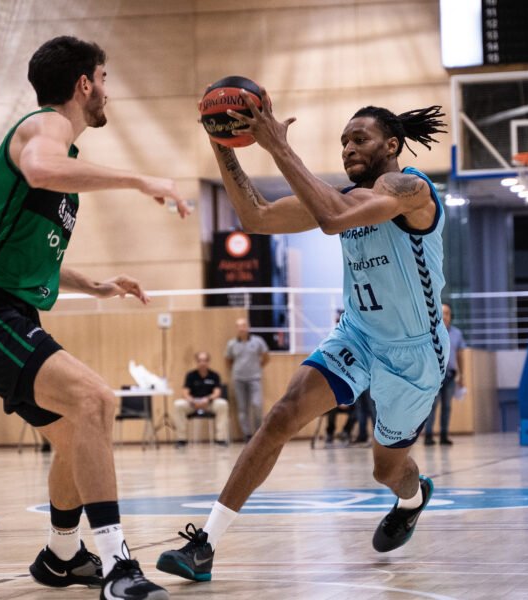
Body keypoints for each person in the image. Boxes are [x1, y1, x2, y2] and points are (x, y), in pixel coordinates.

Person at [156, 93, 448, 582]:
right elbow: (258, 216)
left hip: (415, 352)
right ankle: (203, 546)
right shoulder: (340, 196)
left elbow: (334, 218)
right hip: (357, 334)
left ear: (392, 144)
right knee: (282, 414)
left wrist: (277, 148)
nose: (349, 148)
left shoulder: (410, 189)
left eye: (361, 139)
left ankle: (413, 497)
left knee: (386, 470)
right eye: (343, 142)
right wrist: (221, 143)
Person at [0, 36, 185, 599]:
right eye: (104, 78)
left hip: (3, 308)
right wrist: (140, 179)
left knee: (76, 430)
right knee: (98, 399)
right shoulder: (44, 129)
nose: (107, 92)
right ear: (84, 85)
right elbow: (41, 170)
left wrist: (91, 283)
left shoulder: (60, 149)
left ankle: (61, 556)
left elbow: (31, 249)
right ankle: (120, 567)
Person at [425, 303, 467, 446]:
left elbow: (460, 355)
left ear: (451, 316)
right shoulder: (429, 332)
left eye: (447, 313)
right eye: (442, 313)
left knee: (447, 407)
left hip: (450, 376)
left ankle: (444, 436)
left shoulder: (457, 334)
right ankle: (428, 435)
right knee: (432, 407)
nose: (445, 316)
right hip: (434, 377)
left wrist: (461, 375)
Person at [224, 318, 269, 442]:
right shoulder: (232, 344)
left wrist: (258, 367)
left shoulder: (258, 341)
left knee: (256, 404)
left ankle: (259, 432)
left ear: (248, 327)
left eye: (243, 325)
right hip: (239, 379)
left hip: (254, 378)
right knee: (242, 408)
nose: (241, 328)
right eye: (239, 326)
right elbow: (228, 361)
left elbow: (266, 357)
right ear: (236, 329)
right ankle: (247, 435)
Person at [173, 352, 229, 448]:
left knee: (222, 404)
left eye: (204, 360)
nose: (202, 363)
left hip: (209, 403)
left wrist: (208, 399)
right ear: (197, 362)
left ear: (208, 362)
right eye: (200, 361)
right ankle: (181, 439)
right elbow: (185, 392)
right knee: (178, 404)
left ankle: (221, 439)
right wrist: (191, 400)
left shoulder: (214, 375)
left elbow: (217, 392)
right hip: (193, 403)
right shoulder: (191, 375)